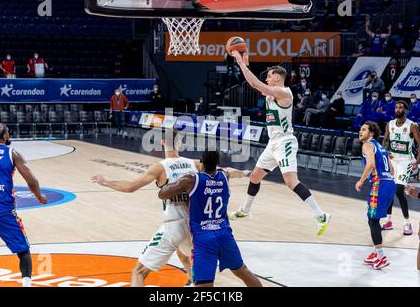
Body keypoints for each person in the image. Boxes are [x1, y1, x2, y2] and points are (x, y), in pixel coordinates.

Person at [229, 51, 331, 236]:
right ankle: (245, 210)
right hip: (273, 143)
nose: (266, 79)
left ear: (277, 78)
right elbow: (257, 85)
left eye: (269, 76)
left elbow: (254, 83)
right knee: (254, 177)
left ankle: (321, 214)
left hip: (285, 142)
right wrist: (246, 66)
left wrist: (239, 63)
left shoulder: (283, 93)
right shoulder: (272, 92)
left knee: (291, 182)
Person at [92, 130, 195, 286]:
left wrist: (106, 182)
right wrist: (243, 173)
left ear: (161, 143)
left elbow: (130, 187)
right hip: (194, 225)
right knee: (185, 257)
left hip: (173, 226)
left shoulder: (160, 167)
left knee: (138, 272)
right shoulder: (195, 163)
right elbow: (223, 173)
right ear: (179, 142)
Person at [158, 151, 262, 287]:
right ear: (218, 163)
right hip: (224, 234)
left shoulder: (190, 180)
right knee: (242, 271)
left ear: (200, 161)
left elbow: (162, 194)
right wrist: (243, 173)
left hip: (203, 238)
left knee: (204, 284)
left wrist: (170, 183)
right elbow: (231, 171)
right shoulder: (224, 176)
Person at [0, 123, 48, 287]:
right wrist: (39, 196)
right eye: (8, 132)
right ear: (5, 136)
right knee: (23, 251)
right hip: (3, 211)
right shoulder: (12, 153)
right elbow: (32, 181)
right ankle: (26, 284)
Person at [355, 121, 396, 270]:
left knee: (373, 220)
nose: (360, 132)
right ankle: (375, 252)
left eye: (364, 129)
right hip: (390, 183)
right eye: (360, 129)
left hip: (380, 184)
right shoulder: (381, 148)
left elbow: (371, 164)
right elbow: (392, 171)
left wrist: (361, 180)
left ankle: (381, 256)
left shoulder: (367, 145)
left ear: (371, 133)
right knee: (374, 219)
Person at [382, 101, 420, 235]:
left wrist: (418, 161)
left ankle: (407, 223)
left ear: (406, 110)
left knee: (398, 190)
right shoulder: (390, 124)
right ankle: (389, 221)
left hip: (405, 161)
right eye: (396, 107)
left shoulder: (412, 125)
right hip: (393, 161)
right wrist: (385, 152)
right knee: (389, 189)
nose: (398, 109)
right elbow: (385, 141)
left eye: (401, 107)